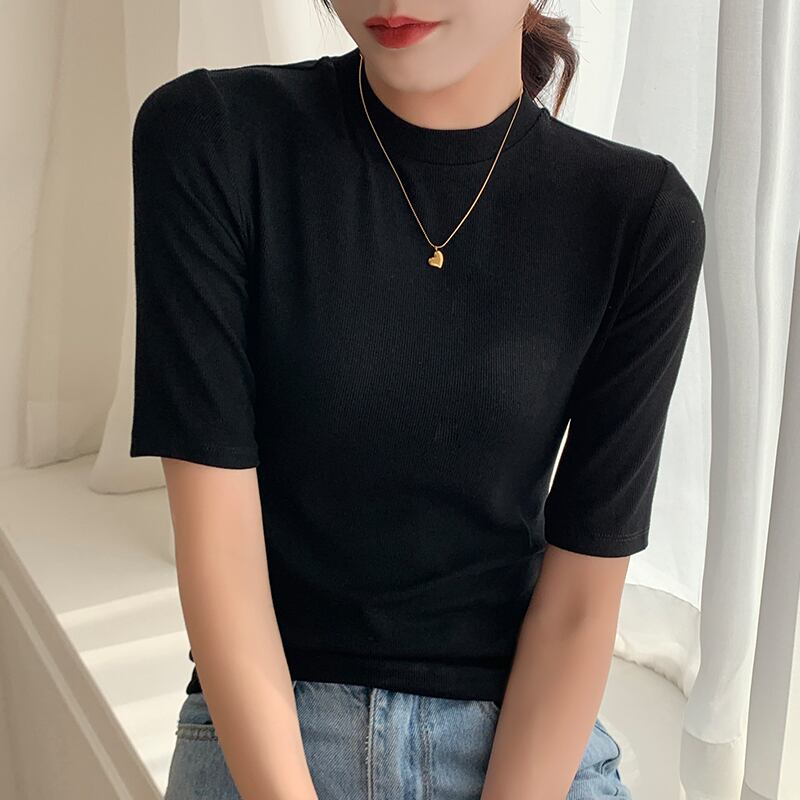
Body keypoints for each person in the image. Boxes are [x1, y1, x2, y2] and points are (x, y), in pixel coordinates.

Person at [129, 1, 705, 798]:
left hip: (518, 746)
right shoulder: (214, 135)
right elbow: (218, 547)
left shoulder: (637, 216)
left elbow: (580, 601)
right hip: (269, 731)